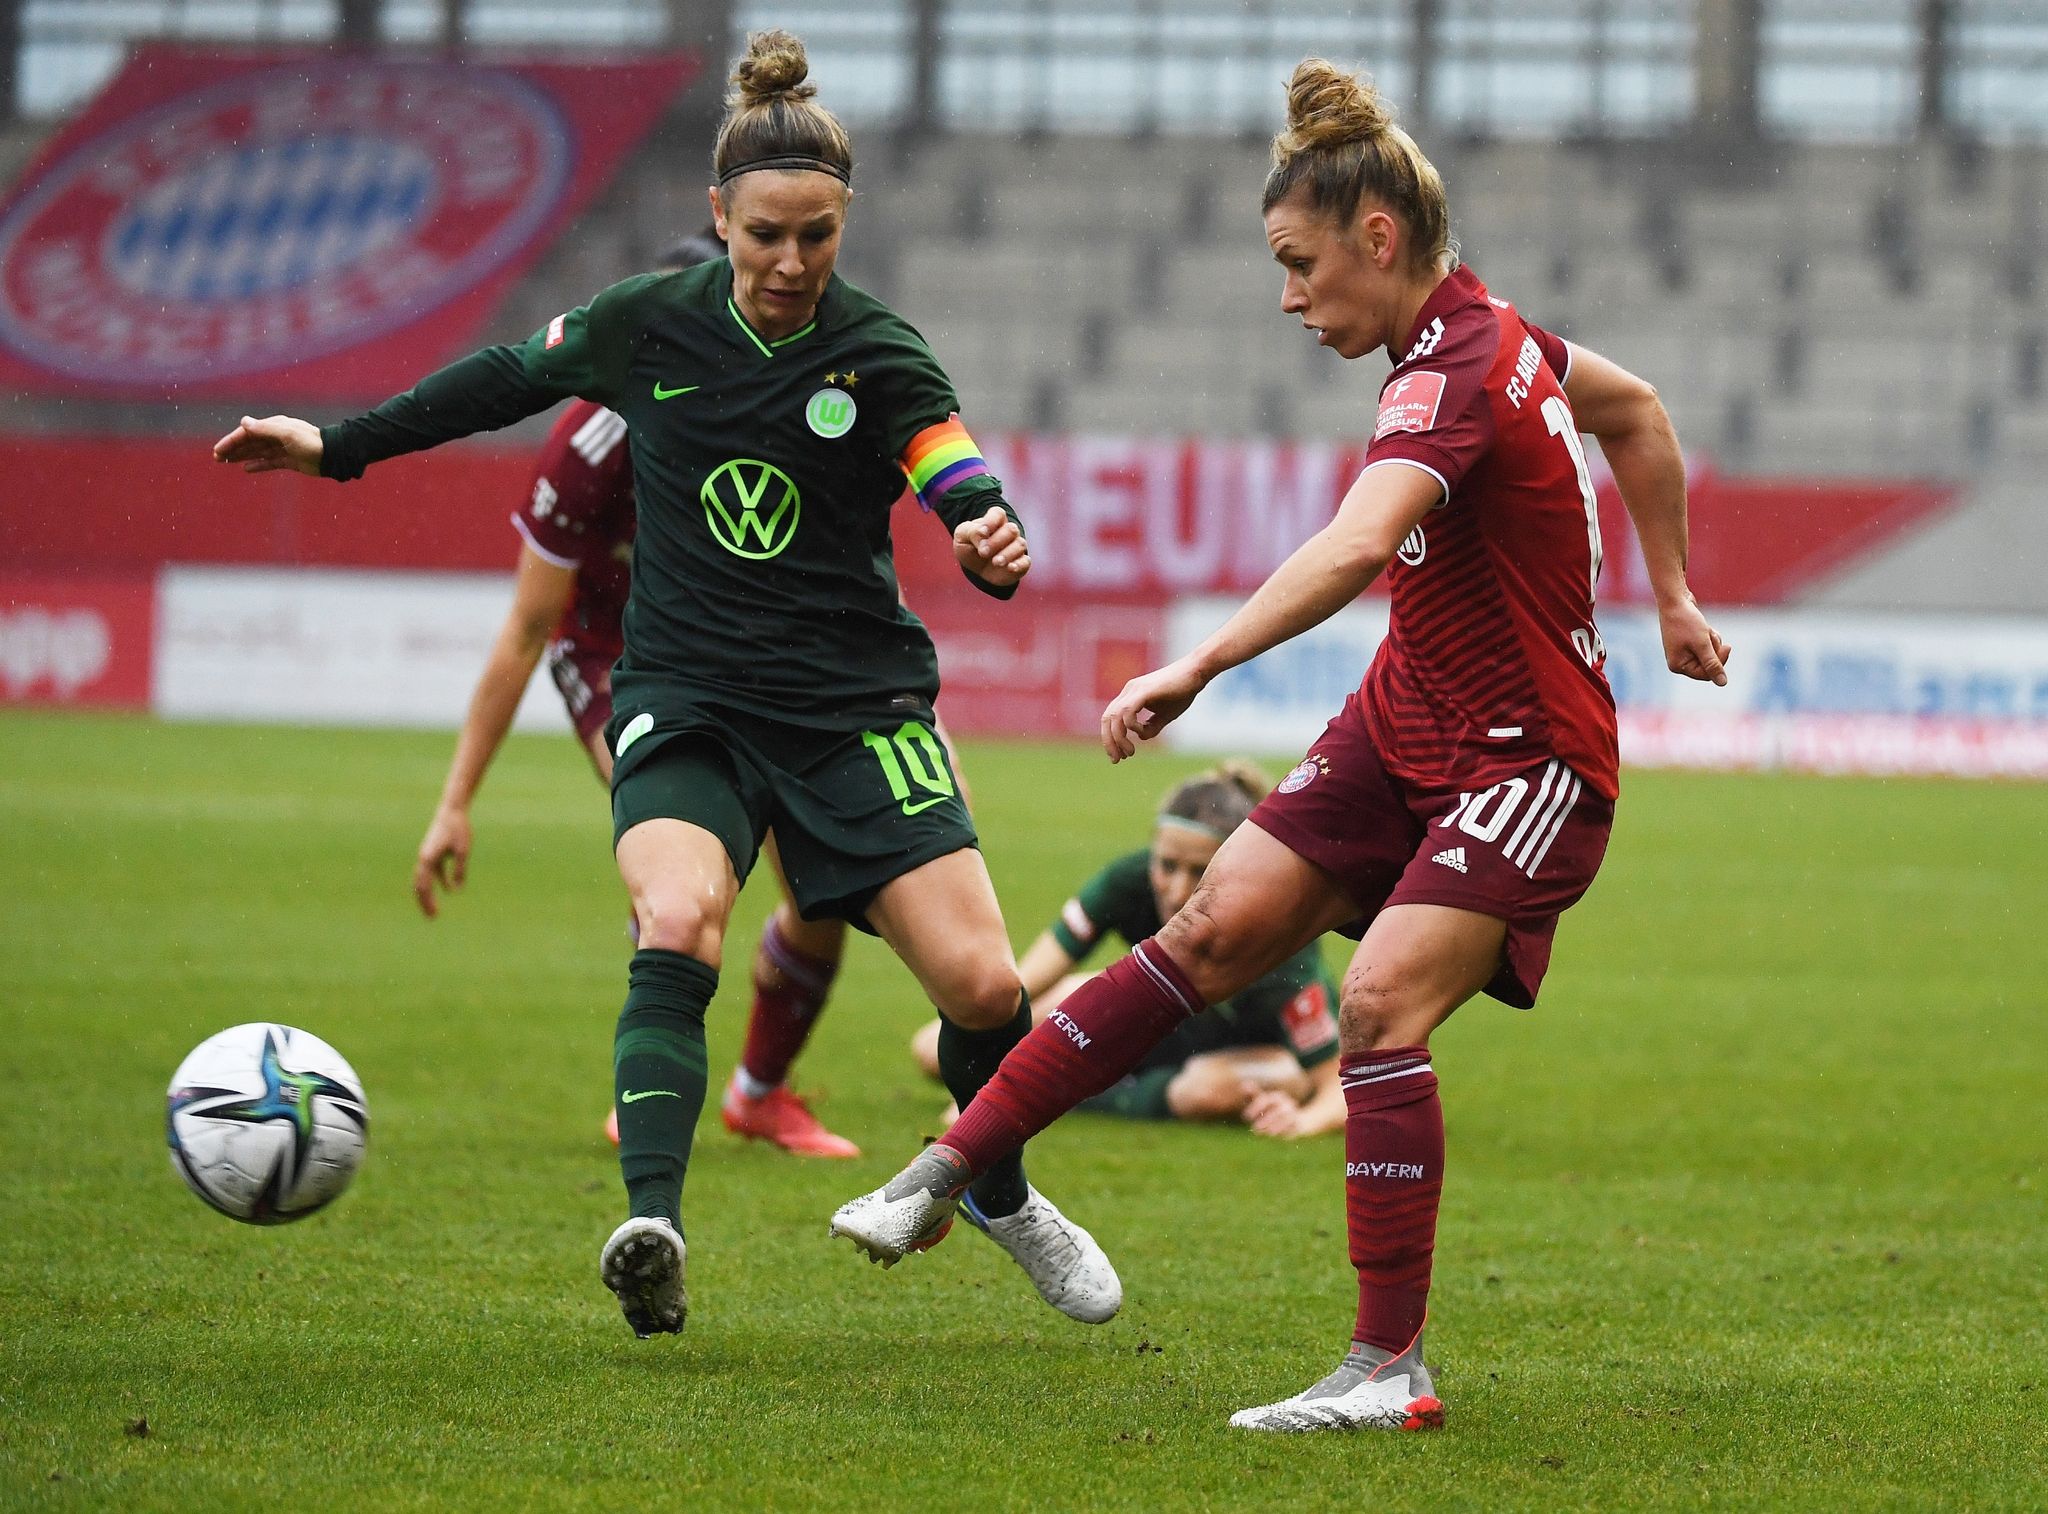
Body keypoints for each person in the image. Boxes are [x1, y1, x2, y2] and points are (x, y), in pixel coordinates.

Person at [831, 57, 1731, 1433]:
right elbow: (1639, 410)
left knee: (1374, 1005)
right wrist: (1669, 594)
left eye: (1300, 265)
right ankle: (949, 1167)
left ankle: (1389, 1368)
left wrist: (1197, 662)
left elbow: (1361, 543)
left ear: (1378, 238)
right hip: (1404, 718)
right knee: (1203, 931)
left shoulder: (1455, 369)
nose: (1290, 296)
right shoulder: (1498, 339)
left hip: (1525, 757)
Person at [216, 29, 1122, 1339]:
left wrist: (987, 531)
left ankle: (999, 1193)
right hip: (687, 699)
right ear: (720, 215)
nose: (791, 261)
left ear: (844, 222)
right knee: (681, 914)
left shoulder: (878, 353)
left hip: (853, 712)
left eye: (817, 235)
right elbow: (503, 379)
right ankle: (653, 1223)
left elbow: (952, 463)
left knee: (985, 989)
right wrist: (338, 446)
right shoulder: (649, 322)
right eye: (766, 235)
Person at [412, 229, 862, 1161]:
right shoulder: (590, 446)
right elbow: (528, 630)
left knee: (823, 892)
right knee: (681, 874)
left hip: (745, 654)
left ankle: (759, 1094)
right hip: (614, 657)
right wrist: (455, 802)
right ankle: (651, 1083)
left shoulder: (788, 406)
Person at [909, 762, 1346, 1136]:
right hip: (1156, 1033)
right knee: (936, 1049)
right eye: (1167, 865)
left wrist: (1302, 1121)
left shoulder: (1276, 934)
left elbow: (1332, 1084)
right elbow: (1020, 987)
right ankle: (1059, 1087)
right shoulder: (1130, 881)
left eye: (1200, 871)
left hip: (1244, 1060)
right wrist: (980, 1071)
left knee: (1206, 1092)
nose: (1177, 890)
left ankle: (1057, 1094)